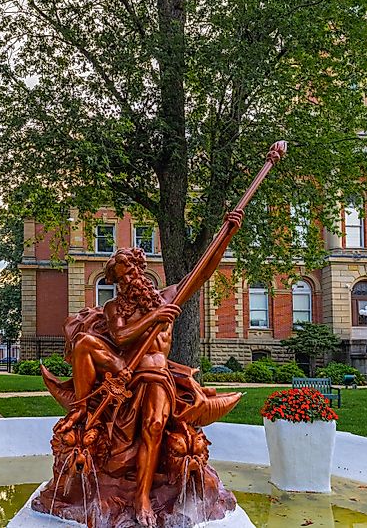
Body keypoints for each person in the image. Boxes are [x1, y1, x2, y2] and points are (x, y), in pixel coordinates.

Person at [56, 209, 244, 527]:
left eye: (131, 272)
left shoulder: (166, 297)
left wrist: (226, 234)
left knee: (155, 425)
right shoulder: (117, 307)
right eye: (121, 277)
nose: (128, 280)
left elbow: (201, 273)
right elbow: (120, 335)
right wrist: (153, 319)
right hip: (126, 369)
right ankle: (82, 409)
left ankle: (143, 496)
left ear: (141, 270)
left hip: (157, 376)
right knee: (87, 342)